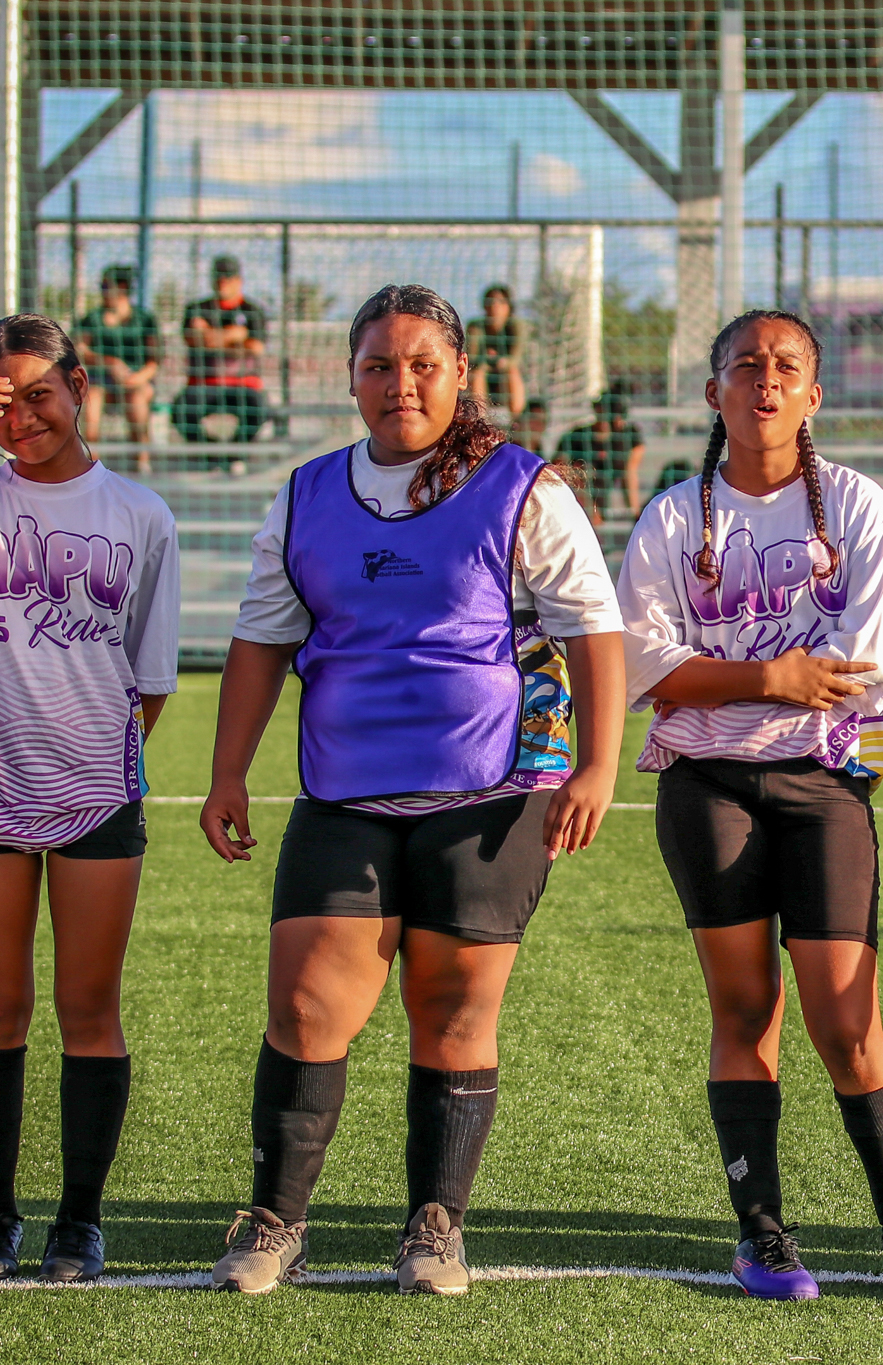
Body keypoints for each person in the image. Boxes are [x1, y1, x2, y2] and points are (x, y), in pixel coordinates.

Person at [201, 284, 626, 1296]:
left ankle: (434, 1226)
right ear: (348, 377)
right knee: (307, 1010)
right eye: (379, 366)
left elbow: (592, 630)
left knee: (452, 1015)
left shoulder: (523, 487)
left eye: (422, 363)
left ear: (460, 373)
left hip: (491, 796)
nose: (401, 384)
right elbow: (263, 638)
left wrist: (600, 767)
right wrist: (228, 771)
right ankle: (274, 1224)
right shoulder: (306, 492)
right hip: (346, 792)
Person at [617, 309, 883, 1302]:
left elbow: (862, 671)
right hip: (705, 786)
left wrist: (724, 674)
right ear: (714, 393)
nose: (764, 380)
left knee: (848, 1022)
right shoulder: (673, 518)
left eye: (786, 366)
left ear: (813, 395)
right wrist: (770, 676)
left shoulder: (850, 504)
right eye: (744, 366)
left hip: (819, 787)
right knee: (744, 1010)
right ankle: (762, 1235)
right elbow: (642, 664)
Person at [0, 315, 179, 1283]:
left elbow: (152, 679)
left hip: (94, 791)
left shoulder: (139, 514)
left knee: (89, 1008)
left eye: (39, 394)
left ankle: (80, 1220)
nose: (22, 418)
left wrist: (79, 753)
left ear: (80, 389)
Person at [174, 254, 269, 452]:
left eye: (228, 278)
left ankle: (235, 454)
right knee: (182, 411)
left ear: (239, 280)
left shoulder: (252, 310)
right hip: (203, 382)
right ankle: (208, 454)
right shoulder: (197, 308)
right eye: (219, 278)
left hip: (243, 383)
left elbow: (256, 348)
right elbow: (192, 339)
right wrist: (234, 335)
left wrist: (209, 336)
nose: (222, 283)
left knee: (257, 409)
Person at [75, 264, 162, 458]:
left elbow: (154, 360)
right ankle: (92, 462)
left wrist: (138, 378)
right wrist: (109, 362)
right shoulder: (92, 318)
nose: (103, 292)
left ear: (123, 288)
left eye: (108, 286)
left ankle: (141, 460)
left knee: (137, 398)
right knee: (91, 398)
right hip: (101, 380)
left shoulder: (144, 319)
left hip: (135, 380)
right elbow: (81, 349)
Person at [555, 386, 646, 521]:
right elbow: (559, 473)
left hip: (602, 497)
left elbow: (630, 473)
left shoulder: (628, 436)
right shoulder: (576, 437)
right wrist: (590, 508)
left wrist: (636, 516)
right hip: (578, 498)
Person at [466, 284, 528, 418]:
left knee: (512, 371)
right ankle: (479, 419)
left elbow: (516, 357)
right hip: (484, 376)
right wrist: (487, 359)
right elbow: (472, 356)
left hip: (506, 379)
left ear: (508, 306)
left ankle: (517, 420)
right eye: (490, 302)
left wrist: (501, 361)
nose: (495, 306)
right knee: (477, 373)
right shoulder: (476, 327)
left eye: (500, 302)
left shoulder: (516, 327)